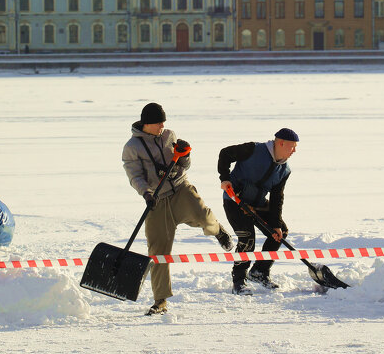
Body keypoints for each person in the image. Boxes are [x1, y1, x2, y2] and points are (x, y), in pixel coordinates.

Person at [122, 102, 233, 316]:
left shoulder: (169, 135)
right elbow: (134, 175)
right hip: (156, 199)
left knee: (202, 215)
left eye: (164, 121)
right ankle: (160, 301)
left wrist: (185, 156)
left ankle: (217, 230)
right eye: (158, 122)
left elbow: (183, 165)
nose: (162, 125)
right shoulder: (132, 147)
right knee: (158, 251)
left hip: (181, 189)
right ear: (146, 123)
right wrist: (146, 194)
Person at [218, 127, 299, 295]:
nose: (294, 151)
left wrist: (275, 225)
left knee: (280, 232)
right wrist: (224, 177)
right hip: (235, 201)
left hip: (258, 204)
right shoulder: (253, 149)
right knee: (247, 238)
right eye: (292, 146)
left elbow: (277, 198)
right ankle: (239, 281)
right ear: (281, 143)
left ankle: (260, 271)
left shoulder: (284, 170)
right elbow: (225, 153)